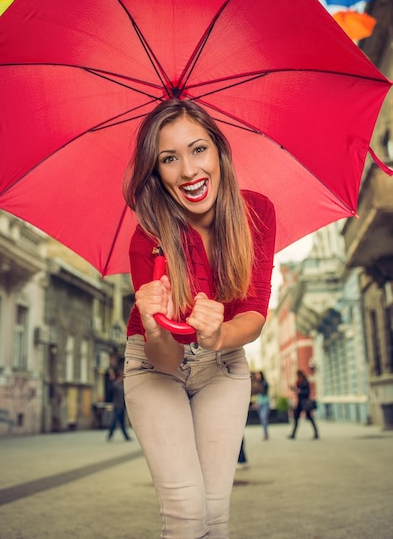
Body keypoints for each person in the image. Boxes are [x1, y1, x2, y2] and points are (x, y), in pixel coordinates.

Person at [122, 98, 276, 539]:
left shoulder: (257, 214)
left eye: (198, 149)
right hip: (156, 368)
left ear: (219, 152)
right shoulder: (148, 238)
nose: (189, 171)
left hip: (223, 366)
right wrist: (155, 325)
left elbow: (255, 312)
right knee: (187, 513)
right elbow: (165, 361)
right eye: (169, 158)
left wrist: (218, 334)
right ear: (157, 172)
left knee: (215, 513)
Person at [288, 369, 319, 440]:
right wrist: (293, 388)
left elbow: (307, 392)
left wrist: (300, 391)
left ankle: (316, 433)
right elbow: (297, 390)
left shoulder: (305, 382)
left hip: (304, 403)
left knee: (310, 418)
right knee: (296, 418)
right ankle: (293, 434)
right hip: (300, 403)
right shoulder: (299, 382)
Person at [106, 367, 131, 442]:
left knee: (122, 423)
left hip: (121, 407)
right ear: (119, 377)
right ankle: (110, 435)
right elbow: (111, 387)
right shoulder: (116, 384)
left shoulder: (120, 385)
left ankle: (126, 437)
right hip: (117, 406)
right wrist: (112, 379)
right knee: (114, 422)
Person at [253, 371, 270, 440]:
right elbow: (256, 395)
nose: (257, 376)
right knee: (262, 418)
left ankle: (265, 433)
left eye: (258, 375)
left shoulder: (264, 383)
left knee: (263, 417)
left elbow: (264, 392)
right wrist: (255, 403)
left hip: (265, 402)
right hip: (259, 403)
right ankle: (265, 433)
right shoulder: (256, 384)